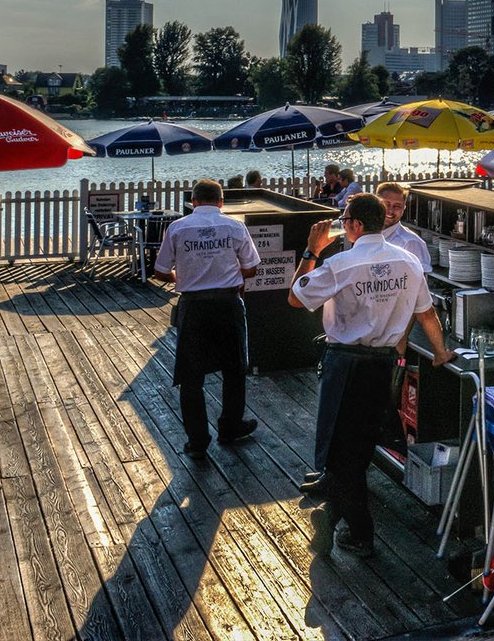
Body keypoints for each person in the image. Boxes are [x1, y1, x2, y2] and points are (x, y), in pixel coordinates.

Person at [288, 193, 453, 558]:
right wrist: (441, 352)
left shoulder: (343, 263)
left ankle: (357, 532)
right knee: (359, 449)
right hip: (382, 365)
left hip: (345, 363)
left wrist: (311, 251)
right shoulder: (408, 261)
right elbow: (427, 314)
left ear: (355, 224)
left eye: (345, 218)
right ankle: (336, 521)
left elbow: (296, 298)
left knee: (339, 450)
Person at [151, 179, 262, 459]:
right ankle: (230, 426)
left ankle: (198, 439)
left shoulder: (177, 228)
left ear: (194, 202)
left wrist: (184, 277)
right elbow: (251, 268)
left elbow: (160, 272)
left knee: (191, 376)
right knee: (234, 370)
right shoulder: (234, 227)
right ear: (221, 202)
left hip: (194, 306)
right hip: (227, 303)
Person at [375, 181, 429, 273]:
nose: (390, 211)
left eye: (397, 206)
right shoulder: (366, 234)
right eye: (386, 204)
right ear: (375, 205)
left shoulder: (410, 243)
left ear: (403, 209)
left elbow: (419, 281)